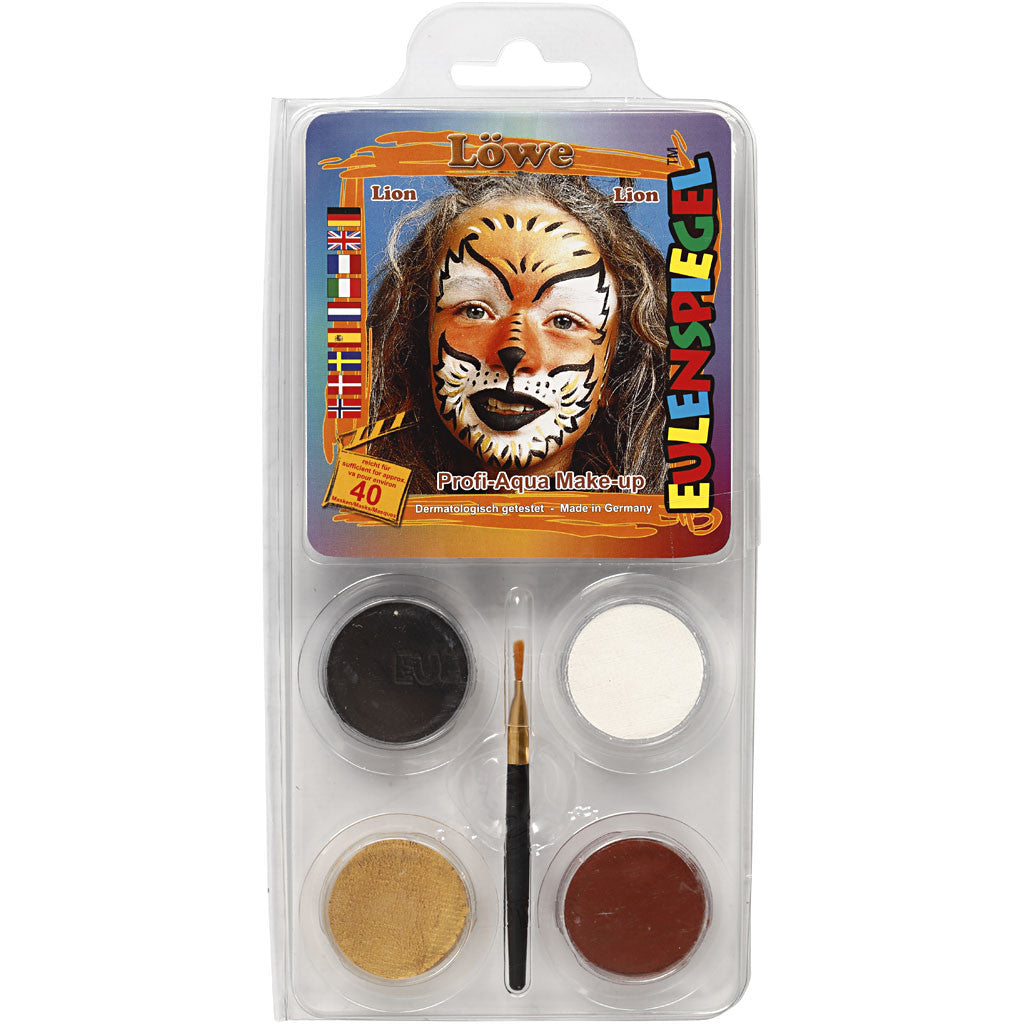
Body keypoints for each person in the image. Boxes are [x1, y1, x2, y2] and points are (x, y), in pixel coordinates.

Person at [367, 174, 668, 493]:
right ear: (418, 341)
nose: (514, 353)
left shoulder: (668, 522)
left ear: (615, 371)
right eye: (474, 311)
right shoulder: (354, 518)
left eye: (564, 321)